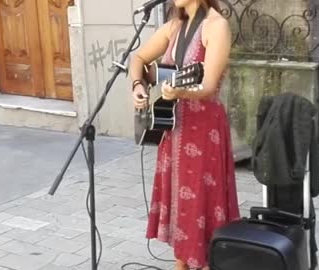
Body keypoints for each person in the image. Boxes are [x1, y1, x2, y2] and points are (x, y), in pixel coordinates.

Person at [129, 0, 240, 269]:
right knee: (180, 202)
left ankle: (200, 262)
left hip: (204, 131)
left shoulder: (217, 26)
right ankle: (183, 261)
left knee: (201, 201)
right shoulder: (175, 27)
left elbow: (208, 86)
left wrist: (180, 92)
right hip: (174, 130)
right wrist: (137, 85)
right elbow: (138, 58)